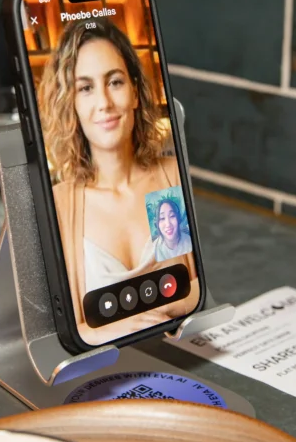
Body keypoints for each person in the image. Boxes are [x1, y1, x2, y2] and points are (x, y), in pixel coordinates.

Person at [39, 17, 199, 346]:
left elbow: (196, 288)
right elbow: (65, 329)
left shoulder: (168, 176)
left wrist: (142, 316)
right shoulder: (60, 203)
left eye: (114, 82)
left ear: (135, 93)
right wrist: (123, 325)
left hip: (176, 354)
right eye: (85, 88)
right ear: (72, 105)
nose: (105, 104)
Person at [152, 197, 193, 262]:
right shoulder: (154, 249)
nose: (168, 224)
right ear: (157, 224)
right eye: (162, 218)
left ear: (178, 218)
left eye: (172, 216)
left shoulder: (189, 242)